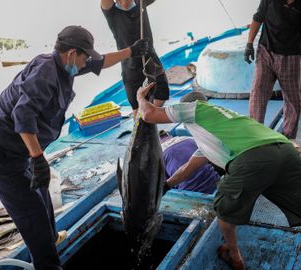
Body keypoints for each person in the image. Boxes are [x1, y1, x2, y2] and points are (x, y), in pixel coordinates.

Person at [0, 25, 149, 270]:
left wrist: (131, 51)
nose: (85, 63)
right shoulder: (46, 71)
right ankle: (47, 263)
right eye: (84, 57)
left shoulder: (65, 65)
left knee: (43, 194)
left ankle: (51, 238)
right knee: (31, 214)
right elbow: (22, 116)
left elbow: (101, 63)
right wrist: (37, 159)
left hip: (19, 151)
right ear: (71, 53)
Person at [137, 85, 301, 270]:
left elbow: (149, 114)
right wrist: (165, 186)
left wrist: (140, 98)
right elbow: (186, 169)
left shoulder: (196, 107)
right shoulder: (218, 131)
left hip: (253, 158)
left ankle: (234, 256)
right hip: (286, 150)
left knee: (223, 211)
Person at [244, 0, 301, 144]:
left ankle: (287, 139)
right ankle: (254, 136)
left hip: (292, 56)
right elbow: (258, 18)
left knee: (293, 100)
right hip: (266, 52)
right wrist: (249, 44)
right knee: (258, 93)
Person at [101, 0, 169, 118]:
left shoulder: (141, 2)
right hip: (130, 66)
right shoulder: (112, 12)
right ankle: (140, 129)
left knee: (161, 95)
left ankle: (150, 122)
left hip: (150, 60)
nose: (124, 2)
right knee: (136, 106)